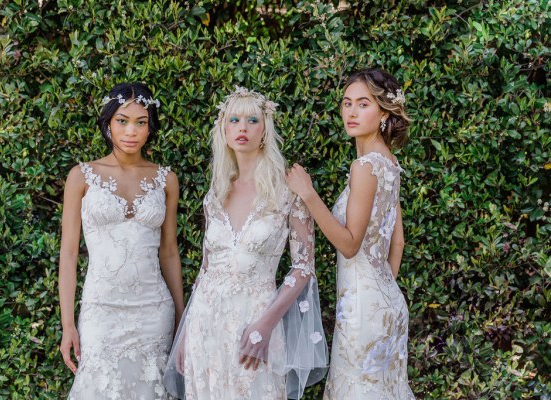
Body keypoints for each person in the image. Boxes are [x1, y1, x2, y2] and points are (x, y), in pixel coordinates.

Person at [163, 86, 328, 399]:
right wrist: (185, 334)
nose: (242, 127)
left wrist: (265, 325)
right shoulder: (215, 195)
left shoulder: (288, 189)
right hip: (205, 325)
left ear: (265, 129)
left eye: (252, 120)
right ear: (223, 130)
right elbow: (205, 270)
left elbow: (303, 267)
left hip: (255, 321)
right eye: (234, 120)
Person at [286, 68, 415, 399]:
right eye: (347, 103)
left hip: (362, 310)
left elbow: (349, 244)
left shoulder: (365, 167)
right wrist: (380, 291)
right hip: (386, 302)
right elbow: (397, 241)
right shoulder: (390, 164)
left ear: (384, 113)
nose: (352, 112)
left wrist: (308, 193)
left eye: (363, 104)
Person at [58, 82, 184, 399]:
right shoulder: (81, 176)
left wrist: (182, 319)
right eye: (122, 121)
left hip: (154, 311)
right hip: (101, 310)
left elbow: (169, 252)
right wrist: (67, 324)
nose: (131, 131)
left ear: (150, 126)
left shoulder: (166, 179)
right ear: (108, 123)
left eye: (140, 122)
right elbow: (69, 255)